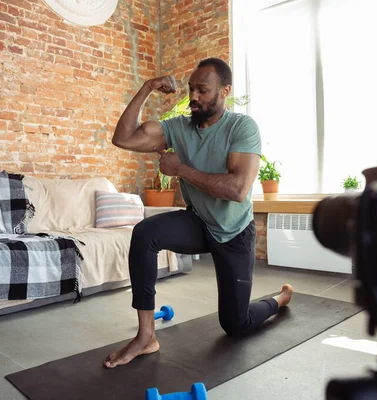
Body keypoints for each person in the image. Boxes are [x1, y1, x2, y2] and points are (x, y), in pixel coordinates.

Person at [104, 57, 293, 369]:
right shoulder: (178, 128)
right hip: (199, 222)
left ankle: (279, 300)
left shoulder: (242, 127)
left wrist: (181, 170)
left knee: (236, 324)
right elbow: (123, 138)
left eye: (203, 90)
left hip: (233, 232)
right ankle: (146, 336)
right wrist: (148, 87)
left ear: (224, 91)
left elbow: (237, 190)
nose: (193, 97)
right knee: (145, 233)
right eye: (192, 89)